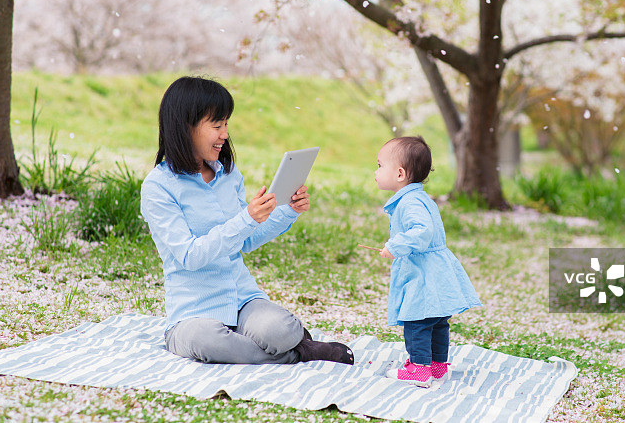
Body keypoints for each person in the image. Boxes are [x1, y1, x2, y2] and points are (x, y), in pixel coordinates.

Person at [140, 76, 353, 366]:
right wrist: (246, 219)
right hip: (193, 313)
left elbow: (247, 240)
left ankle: (282, 342)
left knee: (280, 329)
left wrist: (287, 211)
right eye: (217, 125)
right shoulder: (158, 186)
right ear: (185, 126)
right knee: (208, 341)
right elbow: (190, 256)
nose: (225, 134)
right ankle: (300, 353)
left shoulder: (227, 174)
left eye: (226, 124)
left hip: (242, 301)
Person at [374, 136, 481, 387]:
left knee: (417, 320)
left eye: (379, 165)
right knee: (437, 319)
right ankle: (437, 364)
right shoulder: (419, 197)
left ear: (400, 173)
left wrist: (395, 246)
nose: (376, 172)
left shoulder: (409, 202)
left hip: (422, 271)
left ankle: (419, 369)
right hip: (436, 269)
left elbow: (422, 231)